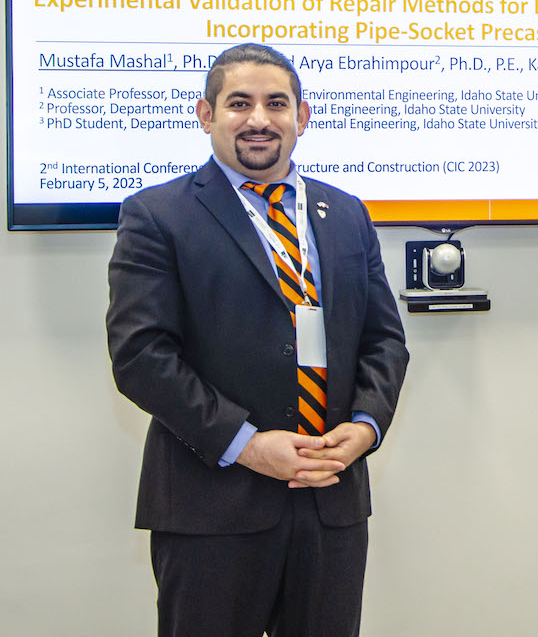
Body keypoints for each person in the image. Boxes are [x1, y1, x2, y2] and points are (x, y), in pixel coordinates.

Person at [106, 43, 408, 637]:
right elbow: (141, 355)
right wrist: (246, 444)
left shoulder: (346, 214)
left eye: (277, 103)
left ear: (303, 117)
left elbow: (384, 342)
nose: (259, 119)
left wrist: (367, 425)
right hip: (212, 502)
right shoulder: (157, 215)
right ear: (205, 114)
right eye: (239, 103)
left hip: (330, 498)